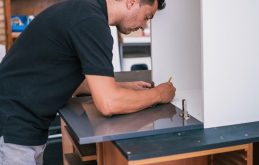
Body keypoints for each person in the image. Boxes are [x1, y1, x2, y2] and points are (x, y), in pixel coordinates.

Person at [0, 0, 175, 164]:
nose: (144, 25)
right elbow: (108, 103)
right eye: (147, 16)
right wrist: (159, 94)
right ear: (131, 1)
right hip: (12, 130)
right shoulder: (91, 22)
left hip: (20, 127)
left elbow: (59, 76)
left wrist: (118, 87)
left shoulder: (85, 11)